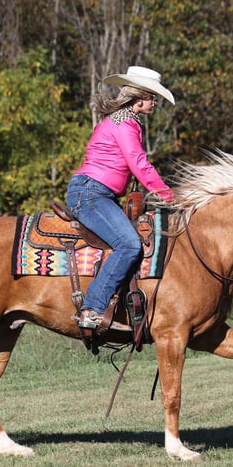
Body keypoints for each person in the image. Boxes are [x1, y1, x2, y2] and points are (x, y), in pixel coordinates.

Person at [66, 66, 175, 330]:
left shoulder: (120, 121)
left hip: (96, 192)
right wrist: (168, 195)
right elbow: (139, 164)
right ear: (139, 98)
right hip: (92, 194)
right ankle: (92, 309)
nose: (154, 102)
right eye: (152, 97)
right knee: (129, 244)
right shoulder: (124, 124)